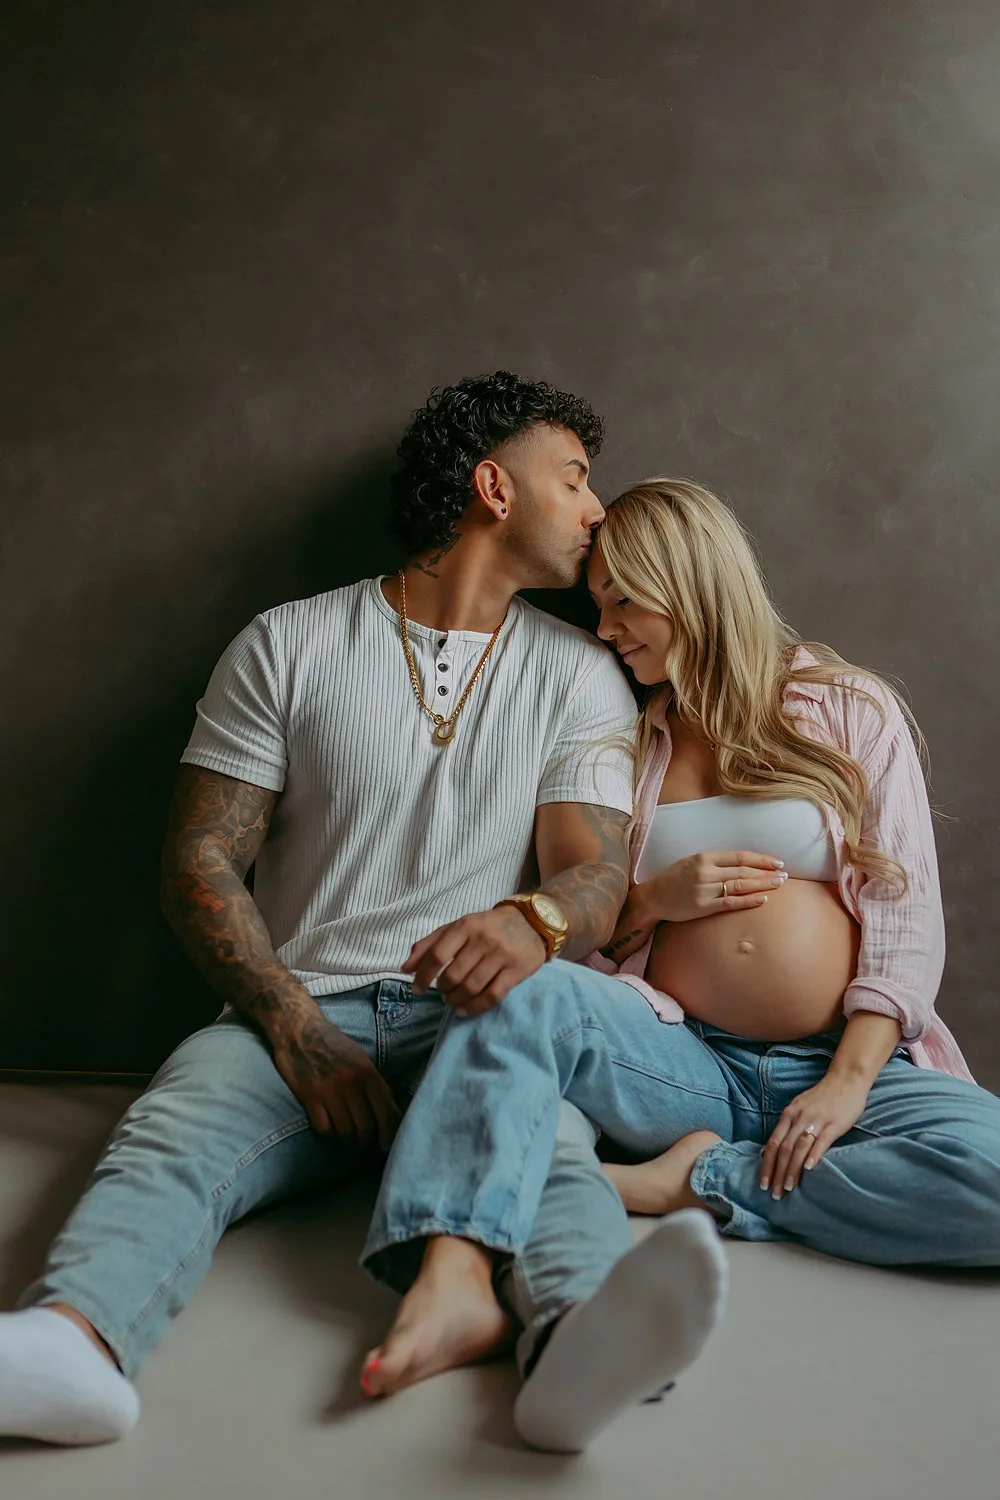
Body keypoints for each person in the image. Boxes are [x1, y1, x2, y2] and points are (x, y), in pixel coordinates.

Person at [1, 372, 722, 1452]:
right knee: (170, 1130)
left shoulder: (581, 676)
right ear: (492, 486)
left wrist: (530, 921)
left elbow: (596, 871)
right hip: (299, 1008)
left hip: (479, 1017)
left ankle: (573, 1341)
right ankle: (72, 1347)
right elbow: (198, 860)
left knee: (552, 1144)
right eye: (574, 478)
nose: (595, 509)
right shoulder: (288, 643)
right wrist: (296, 1033)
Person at [361, 477, 1000, 1451]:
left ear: (689, 580)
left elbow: (904, 914)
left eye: (624, 600)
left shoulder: (843, 707)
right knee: (517, 992)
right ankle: (445, 1270)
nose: (605, 627)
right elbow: (586, 920)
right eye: (596, 604)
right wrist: (653, 901)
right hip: (679, 1058)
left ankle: (702, 1182)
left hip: (844, 1067)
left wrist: (843, 1082)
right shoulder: (627, 734)